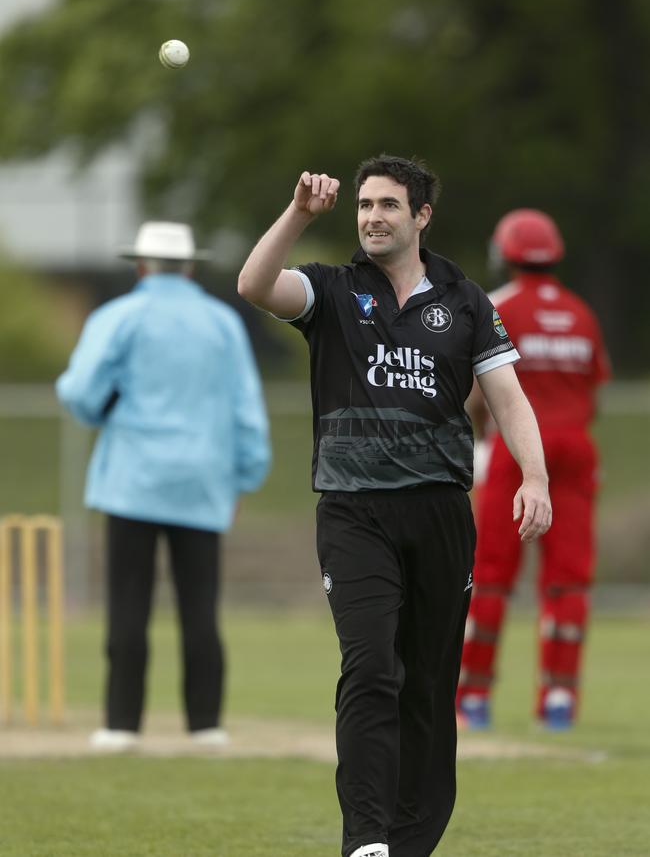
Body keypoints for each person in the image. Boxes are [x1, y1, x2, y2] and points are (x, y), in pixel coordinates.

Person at [237, 156, 551, 857]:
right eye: (364, 205)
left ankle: (411, 840)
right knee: (372, 664)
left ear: (421, 217)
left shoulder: (465, 300)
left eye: (387, 205)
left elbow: (507, 395)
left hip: (440, 511)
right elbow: (254, 284)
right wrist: (298, 215)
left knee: (430, 684)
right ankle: (367, 839)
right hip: (355, 512)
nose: (372, 216)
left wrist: (535, 476)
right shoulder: (333, 290)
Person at [56, 221, 271, 752]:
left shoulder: (119, 317)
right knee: (200, 604)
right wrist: (246, 474)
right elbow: (247, 408)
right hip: (202, 479)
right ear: (191, 267)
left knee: (128, 603)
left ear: (140, 266)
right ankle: (206, 725)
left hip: (132, 477)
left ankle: (120, 725)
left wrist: (102, 407)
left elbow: (81, 391)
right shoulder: (222, 322)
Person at [456, 209, 611, 731]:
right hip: (576, 450)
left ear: (505, 253)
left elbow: (479, 391)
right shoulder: (582, 312)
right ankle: (560, 701)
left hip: (519, 453)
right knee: (568, 582)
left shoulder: (499, 305)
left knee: (493, 577)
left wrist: (480, 441)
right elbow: (595, 391)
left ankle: (474, 697)